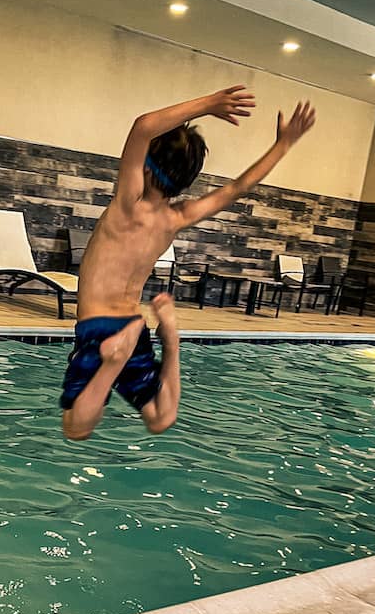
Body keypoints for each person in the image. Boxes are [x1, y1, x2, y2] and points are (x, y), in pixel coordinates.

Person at [60, 86, 316, 440]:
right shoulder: (176, 218)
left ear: (146, 167)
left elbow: (143, 125)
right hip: (134, 325)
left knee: (76, 428)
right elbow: (237, 187)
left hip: (98, 326)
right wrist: (283, 144)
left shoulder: (128, 206)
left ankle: (111, 363)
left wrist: (209, 104)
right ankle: (172, 341)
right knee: (160, 418)